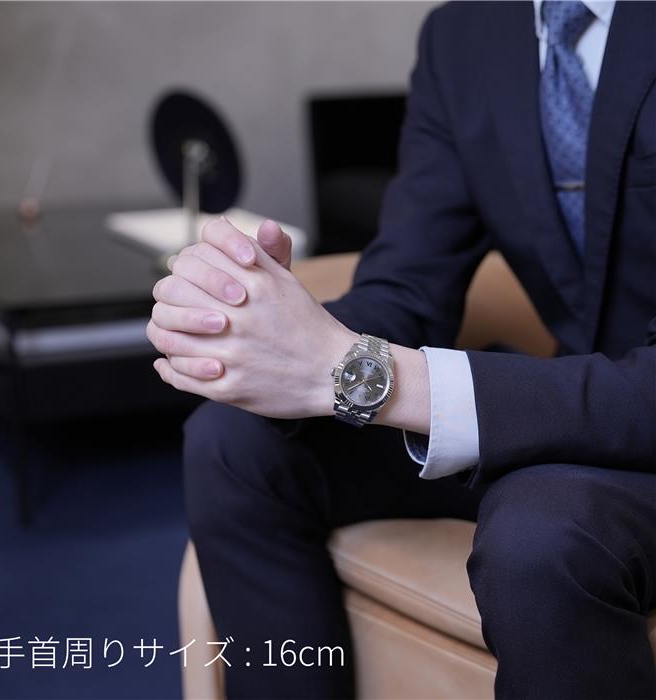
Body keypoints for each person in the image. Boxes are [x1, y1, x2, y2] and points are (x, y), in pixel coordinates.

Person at [146, 2, 656, 698]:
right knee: (234, 441)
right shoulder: (465, 34)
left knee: (542, 534)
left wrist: (366, 376)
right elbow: (409, 285)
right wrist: (278, 330)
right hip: (572, 405)